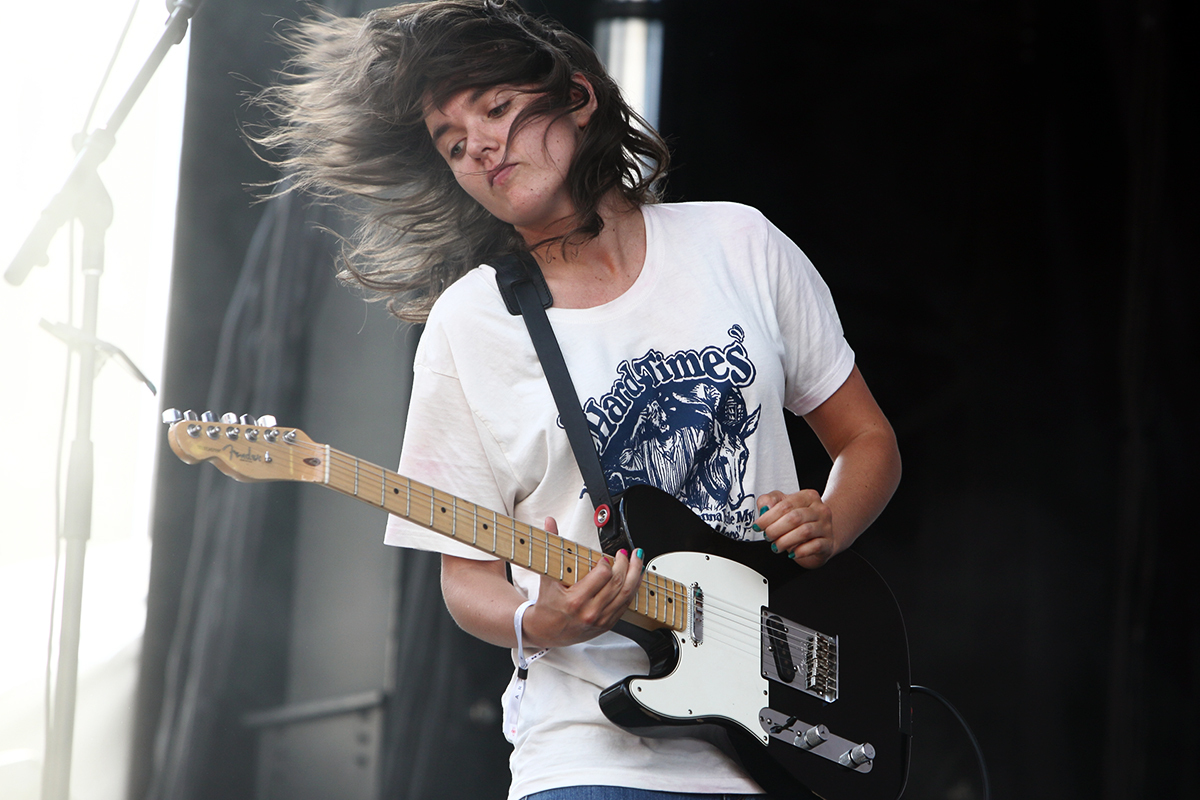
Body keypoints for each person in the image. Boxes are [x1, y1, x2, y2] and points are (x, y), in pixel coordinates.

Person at [257, 2, 901, 799]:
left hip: (779, 745)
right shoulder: (470, 321)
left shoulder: (740, 245)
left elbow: (868, 440)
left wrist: (831, 518)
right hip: (587, 758)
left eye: (495, 109)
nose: (481, 147)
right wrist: (540, 622)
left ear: (578, 97)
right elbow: (467, 583)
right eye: (453, 143)